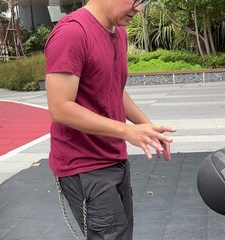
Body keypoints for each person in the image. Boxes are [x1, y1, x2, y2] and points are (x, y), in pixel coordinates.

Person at [44, 0, 175, 239]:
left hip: (114, 156)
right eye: (135, 1)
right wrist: (127, 132)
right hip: (83, 164)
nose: (139, 9)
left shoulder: (119, 32)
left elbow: (113, 88)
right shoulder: (72, 33)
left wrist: (147, 128)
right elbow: (60, 108)